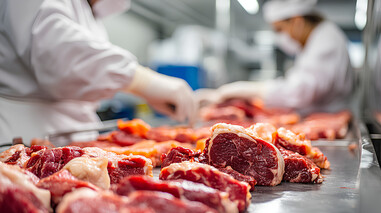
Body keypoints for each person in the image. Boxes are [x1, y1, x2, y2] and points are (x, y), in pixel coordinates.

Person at [0, 0, 197, 144]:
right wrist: (142, 81)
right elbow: (60, 55)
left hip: (73, 145)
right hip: (21, 144)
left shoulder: (88, 9)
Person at [201, 0, 353, 115]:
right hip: (318, 115)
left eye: (280, 29)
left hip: (329, 119)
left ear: (297, 22)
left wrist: (254, 89)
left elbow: (300, 92)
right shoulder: (312, 42)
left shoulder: (326, 40)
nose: (280, 37)